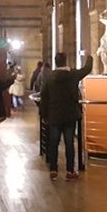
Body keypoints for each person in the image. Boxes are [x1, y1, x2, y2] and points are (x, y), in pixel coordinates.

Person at [40, 52, 93, 181]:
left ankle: (53, 169)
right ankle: (70, 170)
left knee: (53, 143)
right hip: (70, 114)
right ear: (66, 61)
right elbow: (87, 69)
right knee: (69, 143)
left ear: (55, 62)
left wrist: (44, 114)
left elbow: (44, 97)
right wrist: (89, 57)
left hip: (54, 115)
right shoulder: (73, 75)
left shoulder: (50, 78)